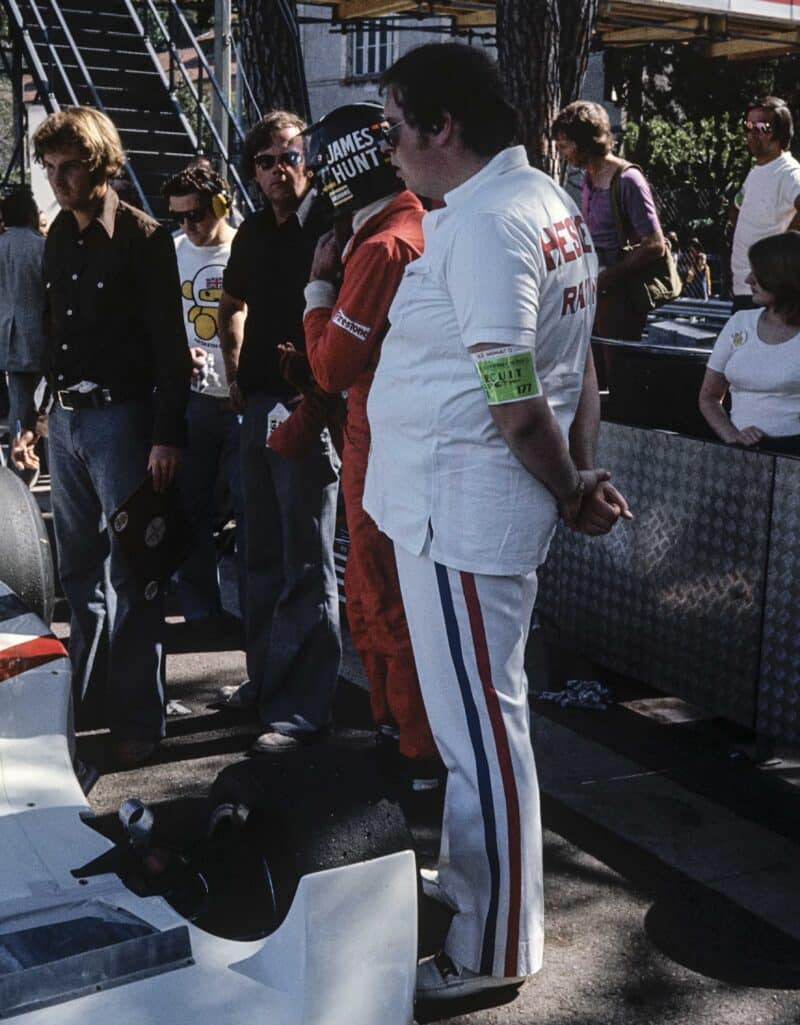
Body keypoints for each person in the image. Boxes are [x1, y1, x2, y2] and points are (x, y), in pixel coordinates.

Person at [363, 44, 631, 1001]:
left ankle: (491, 948)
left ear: (444, 129)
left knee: (480, 734)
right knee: (483, 723)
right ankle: (487, 888)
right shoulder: (544, 203)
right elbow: (581, 361)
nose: (385, 147)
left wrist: (567, 483)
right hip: (467, 505)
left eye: (394, 127)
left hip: (463, 512)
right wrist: (580, 469)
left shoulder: (484, 226)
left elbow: (515, 393)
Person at [14, 107, 190, 768]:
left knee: (137, 574)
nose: (58, 180)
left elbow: (172, 350)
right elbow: (51, 330)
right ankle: (85, 706)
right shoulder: (57, 233)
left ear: (101, 165)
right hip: (67, 421)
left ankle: (138, 719)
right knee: (77, 575)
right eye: (50, 168)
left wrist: (166, 437)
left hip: (125, 423)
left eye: (71, 166)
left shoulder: (143, 238)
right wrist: (35, 417)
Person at [275, 102, 438, 784]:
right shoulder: (393, 229)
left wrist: (316, 292)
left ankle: (410, 745)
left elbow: (333, 365)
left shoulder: (383, 243)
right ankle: (393, 726)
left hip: (386, 435)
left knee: (382, 589)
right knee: (372, 587)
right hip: (381, 428)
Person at [218, 111, 340, 752]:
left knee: (308, 561)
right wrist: (233, 369)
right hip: (259, 404)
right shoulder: (254, 235)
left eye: (288, 156)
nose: (276, 170)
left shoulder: (330, 229)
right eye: (264, 161)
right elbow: (230, 304)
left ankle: (305, 705)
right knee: (258, 554)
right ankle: (264, 682)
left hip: (309, 406)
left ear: (309, 160)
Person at [161, 164, 245, 623]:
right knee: (191, 510)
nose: (188, 226)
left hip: (238, 399)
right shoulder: (171, 253)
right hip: (193, 399)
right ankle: (200, 615)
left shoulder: (244, 248)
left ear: (220, 205)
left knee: (249, 512)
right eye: (179, 217)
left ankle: (253, 618)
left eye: (195, 215)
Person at [552, 100, 666, 342]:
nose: (562, 154)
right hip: (592, 290)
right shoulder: (588, 178)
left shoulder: (627, 180)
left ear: (585, 143)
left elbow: (655, 244)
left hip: (621, 294)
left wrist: (608, 276)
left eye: (565, 146)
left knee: (616, 369)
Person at [699, 232, 800, 455]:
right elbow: (709, 397)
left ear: (783, 277)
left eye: (759, 274)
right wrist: (732, 436)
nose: (748, 281)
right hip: (740, 454)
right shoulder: (739, 323)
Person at [730, 97, 800, 312]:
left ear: (779, 132)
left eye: (761, 127)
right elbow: (736, 210)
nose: (752, 133)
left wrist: (781, 251)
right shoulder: (757, 171)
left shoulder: (789, 172)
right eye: (748, 126)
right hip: (743, 289)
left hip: (769, 294)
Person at [0, 188, 47, 480]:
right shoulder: (41, 247)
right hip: (42, 338)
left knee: (19, 407)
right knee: (45, 405)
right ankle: (34, 457)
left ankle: (20, 472)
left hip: (7, 340)